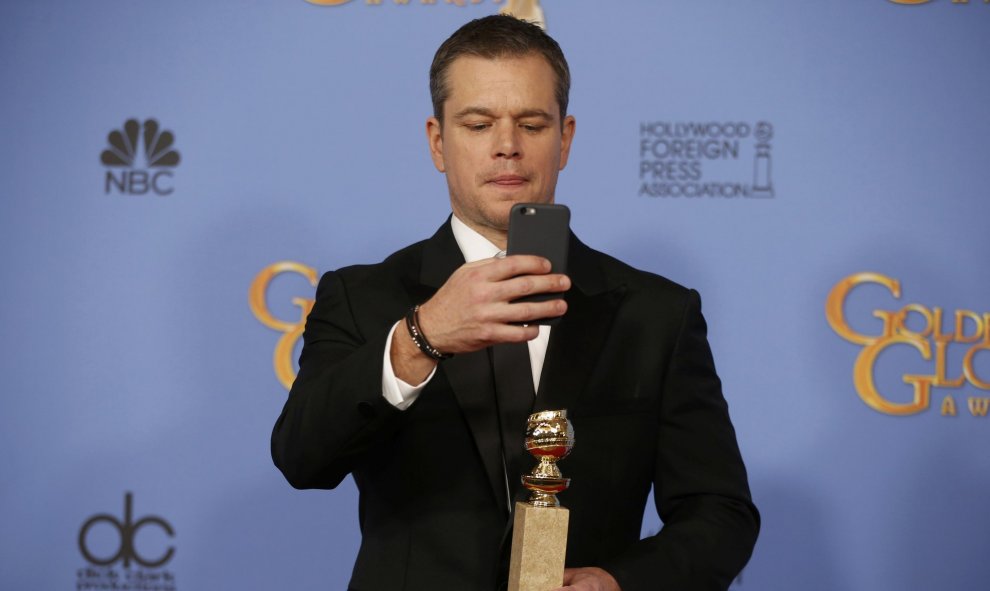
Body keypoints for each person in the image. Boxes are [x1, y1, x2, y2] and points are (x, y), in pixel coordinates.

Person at [272, 15, 758, 591]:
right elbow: (303, 459)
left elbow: (720, 512)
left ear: (566, 138)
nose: (507, 147)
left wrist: (620, 582)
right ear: (438, 141)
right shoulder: (363, 297)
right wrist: (420, 337)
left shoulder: (656, 313)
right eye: (478, 124)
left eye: (531, 123)